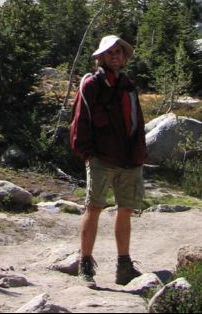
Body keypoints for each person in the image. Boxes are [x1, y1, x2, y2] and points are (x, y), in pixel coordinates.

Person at [69, 34, 147, 287]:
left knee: (125, 210)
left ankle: (124, 267)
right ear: (100, 57)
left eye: (119, 52)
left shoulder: (128, 86)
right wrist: (88, 153)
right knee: (94, 208)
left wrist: (139, 154)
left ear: (124, 58)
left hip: (128, 160)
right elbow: (80, 121)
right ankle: (86, 266)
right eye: (110, 52)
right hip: (101, 158)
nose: (115, 55)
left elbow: (137, 123)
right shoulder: (91, 85)